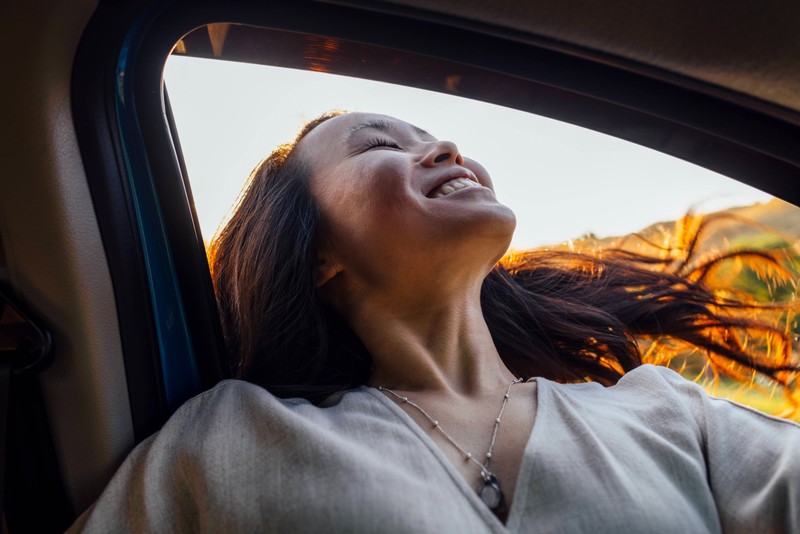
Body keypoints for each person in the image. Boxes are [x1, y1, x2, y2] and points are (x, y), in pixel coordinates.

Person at [70, 111, 800, 533]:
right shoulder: (231, 435)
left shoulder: (669, 413)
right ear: (318, 251)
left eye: (438, 138)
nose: (450, 149)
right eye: (382, 144)